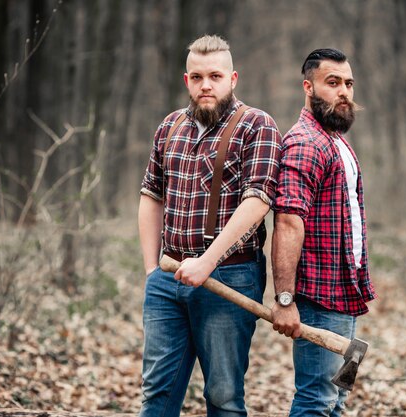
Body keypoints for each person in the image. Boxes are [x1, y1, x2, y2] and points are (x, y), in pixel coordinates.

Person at [138, 34, 281, 417]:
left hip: (230, 280)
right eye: (197, 76)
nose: (206, 85)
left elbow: (258, 201)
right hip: (168, 278)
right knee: (156, 394)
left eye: (215, 76)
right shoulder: (170, 127)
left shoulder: (257, 126)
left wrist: (208, 261)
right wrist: (153, 270)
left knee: (223, 397)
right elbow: (151, 195)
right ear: (186, 81)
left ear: (233, 79)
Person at [271, 48, 377, 416]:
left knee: (337, 399)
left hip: (345, 294)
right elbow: (287, 220)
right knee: (316, 399)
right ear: (308, 87)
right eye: (332, 83)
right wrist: (285, 300)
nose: (344, 91)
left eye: (348, 83)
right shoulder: (305, 142)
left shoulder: (336, 141)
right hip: (320, 299)